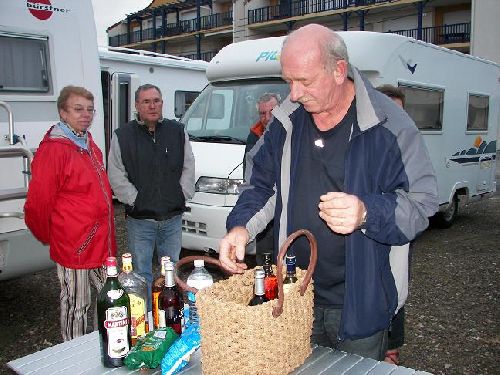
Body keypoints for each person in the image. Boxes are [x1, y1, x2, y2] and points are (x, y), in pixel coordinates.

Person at [218, 24, 438, 360]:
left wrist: (366, 212)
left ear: (338, 70)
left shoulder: (390, 125)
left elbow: (422, 205)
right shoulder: (285, 122)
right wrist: (239, 228)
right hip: (295, 294)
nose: (293, 94)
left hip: (362, 300)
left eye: (304, 81)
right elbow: (261, 184)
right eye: (288, 80)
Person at [24, 85, 116, 341]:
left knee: (109, 297)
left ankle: (106, 345)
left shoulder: (89, 145)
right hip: (75, 245)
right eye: (78, 109)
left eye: (90, 109)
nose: (85, 114)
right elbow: (37, 204)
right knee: (77, 305)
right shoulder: (55, 149)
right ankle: (72, 356)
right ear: (63, 113)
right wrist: (55, 237)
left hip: (102, 243)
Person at [107, 84, 195, 307]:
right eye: (146, 101)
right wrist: (136, 200)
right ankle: (145, 318)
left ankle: (171, 313)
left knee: (171, 270)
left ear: (162, 103)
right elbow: (116, 174)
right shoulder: (123, 136)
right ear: (137, 105)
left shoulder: (177, 131)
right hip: (140, 221)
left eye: (156, 100)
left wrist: (182, 194)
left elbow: (188, 165)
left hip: (172, 219)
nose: (152, 105)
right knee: (141, 275)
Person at [376, 84, 411, 365]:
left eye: (399, 113)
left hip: (395, 247)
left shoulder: (411, 153)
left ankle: (390, 356)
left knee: (396, 292)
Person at [243, 93, 280, 263]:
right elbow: (249, 175)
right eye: (262, 113)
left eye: (272, 111)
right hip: (262, 208)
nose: (267, 117)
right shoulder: (254, 136)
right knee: (264, 259)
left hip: (284, 208)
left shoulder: (290, 132)